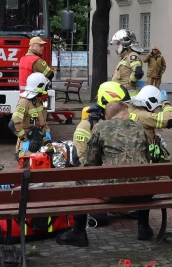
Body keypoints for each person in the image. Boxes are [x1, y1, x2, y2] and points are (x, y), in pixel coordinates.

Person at [58, 99, 154, 248]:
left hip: (114, 193)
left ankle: (78, 232)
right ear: (122, 114)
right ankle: (144, 227)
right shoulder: (139, 128)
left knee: (80, 178)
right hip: (145, 191)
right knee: (142, 175)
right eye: (128, 113)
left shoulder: (100, 127)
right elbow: (146, 158)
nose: (129, 116)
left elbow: (91, 164)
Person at [73, 81, 130, 164]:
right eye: (122, 106)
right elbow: (79, 160)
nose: (127, 109)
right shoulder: (86, 126)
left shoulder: (125, 121)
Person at [128, 85, 172, 161]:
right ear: (150, 102)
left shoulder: (128, 108)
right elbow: (170, 120)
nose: (154, 110)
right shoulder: (144, 116)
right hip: (144, 159)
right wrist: (165, 103)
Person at [12, 72, 52, 154]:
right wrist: (24, 139)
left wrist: (47, 130)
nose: (46, 90)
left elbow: (42, 119)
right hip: (28, 143)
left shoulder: (39, 101)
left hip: (39, 138)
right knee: (29, 163)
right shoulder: (24, 102)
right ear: (39, 87)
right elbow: (13, 124)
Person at [109, 29, 144, 95]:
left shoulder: (132, 55)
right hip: (122, 93)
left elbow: (138, 72)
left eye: (118, 43)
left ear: (125, 43)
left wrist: (131, 82)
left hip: (128, 94)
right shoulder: (125, 57)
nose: (116, 46)